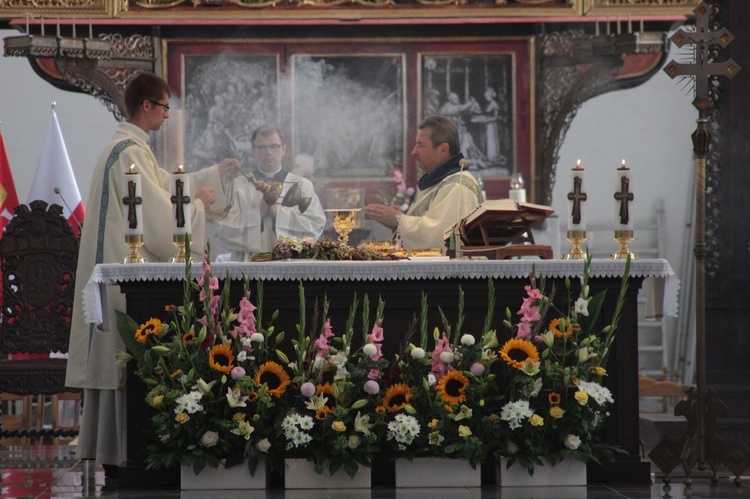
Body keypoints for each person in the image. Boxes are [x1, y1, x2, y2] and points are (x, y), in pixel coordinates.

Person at [65, 72, 240, 470]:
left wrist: (213, 175)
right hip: (121, 272)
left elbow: (163, 185)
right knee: (120, 356)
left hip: (120, 268)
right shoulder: (128, 150)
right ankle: (120, 451)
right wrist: (193, 205)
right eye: (163, 107)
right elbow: (159, 216)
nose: (166, 115)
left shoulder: (130, 146)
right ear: (146, 106)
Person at [364, 115, 483, 250]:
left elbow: (439, 235)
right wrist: (396, 224)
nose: (414, 152)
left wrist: (399, 220)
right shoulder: (439, 182)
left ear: (443, 150)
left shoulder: (458, 185)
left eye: (420, 145)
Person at [214, 125, 326, 260]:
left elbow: (316, 226)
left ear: (283, 149)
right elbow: (222, 232)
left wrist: (279, 214)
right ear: (253, 151)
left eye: (274, 146)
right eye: (262, 147)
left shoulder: (302, 186)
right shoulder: (237, 187)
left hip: (291, 266)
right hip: (247, 268)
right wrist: (257, 214)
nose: (269, 152)